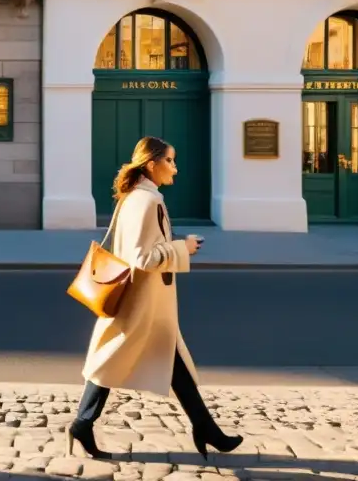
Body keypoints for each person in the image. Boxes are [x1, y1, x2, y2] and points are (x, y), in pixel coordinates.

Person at [70, 136, 242, 462]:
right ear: (152, 164)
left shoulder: (137, 198)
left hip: (148, 305)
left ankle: (205, 428)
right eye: (170, 161)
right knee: (112, 362)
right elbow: (141, 258)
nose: (175, 169)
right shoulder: (148, 201)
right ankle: (82, 423)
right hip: (143, 306)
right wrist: (183, 249)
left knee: (166, 364)